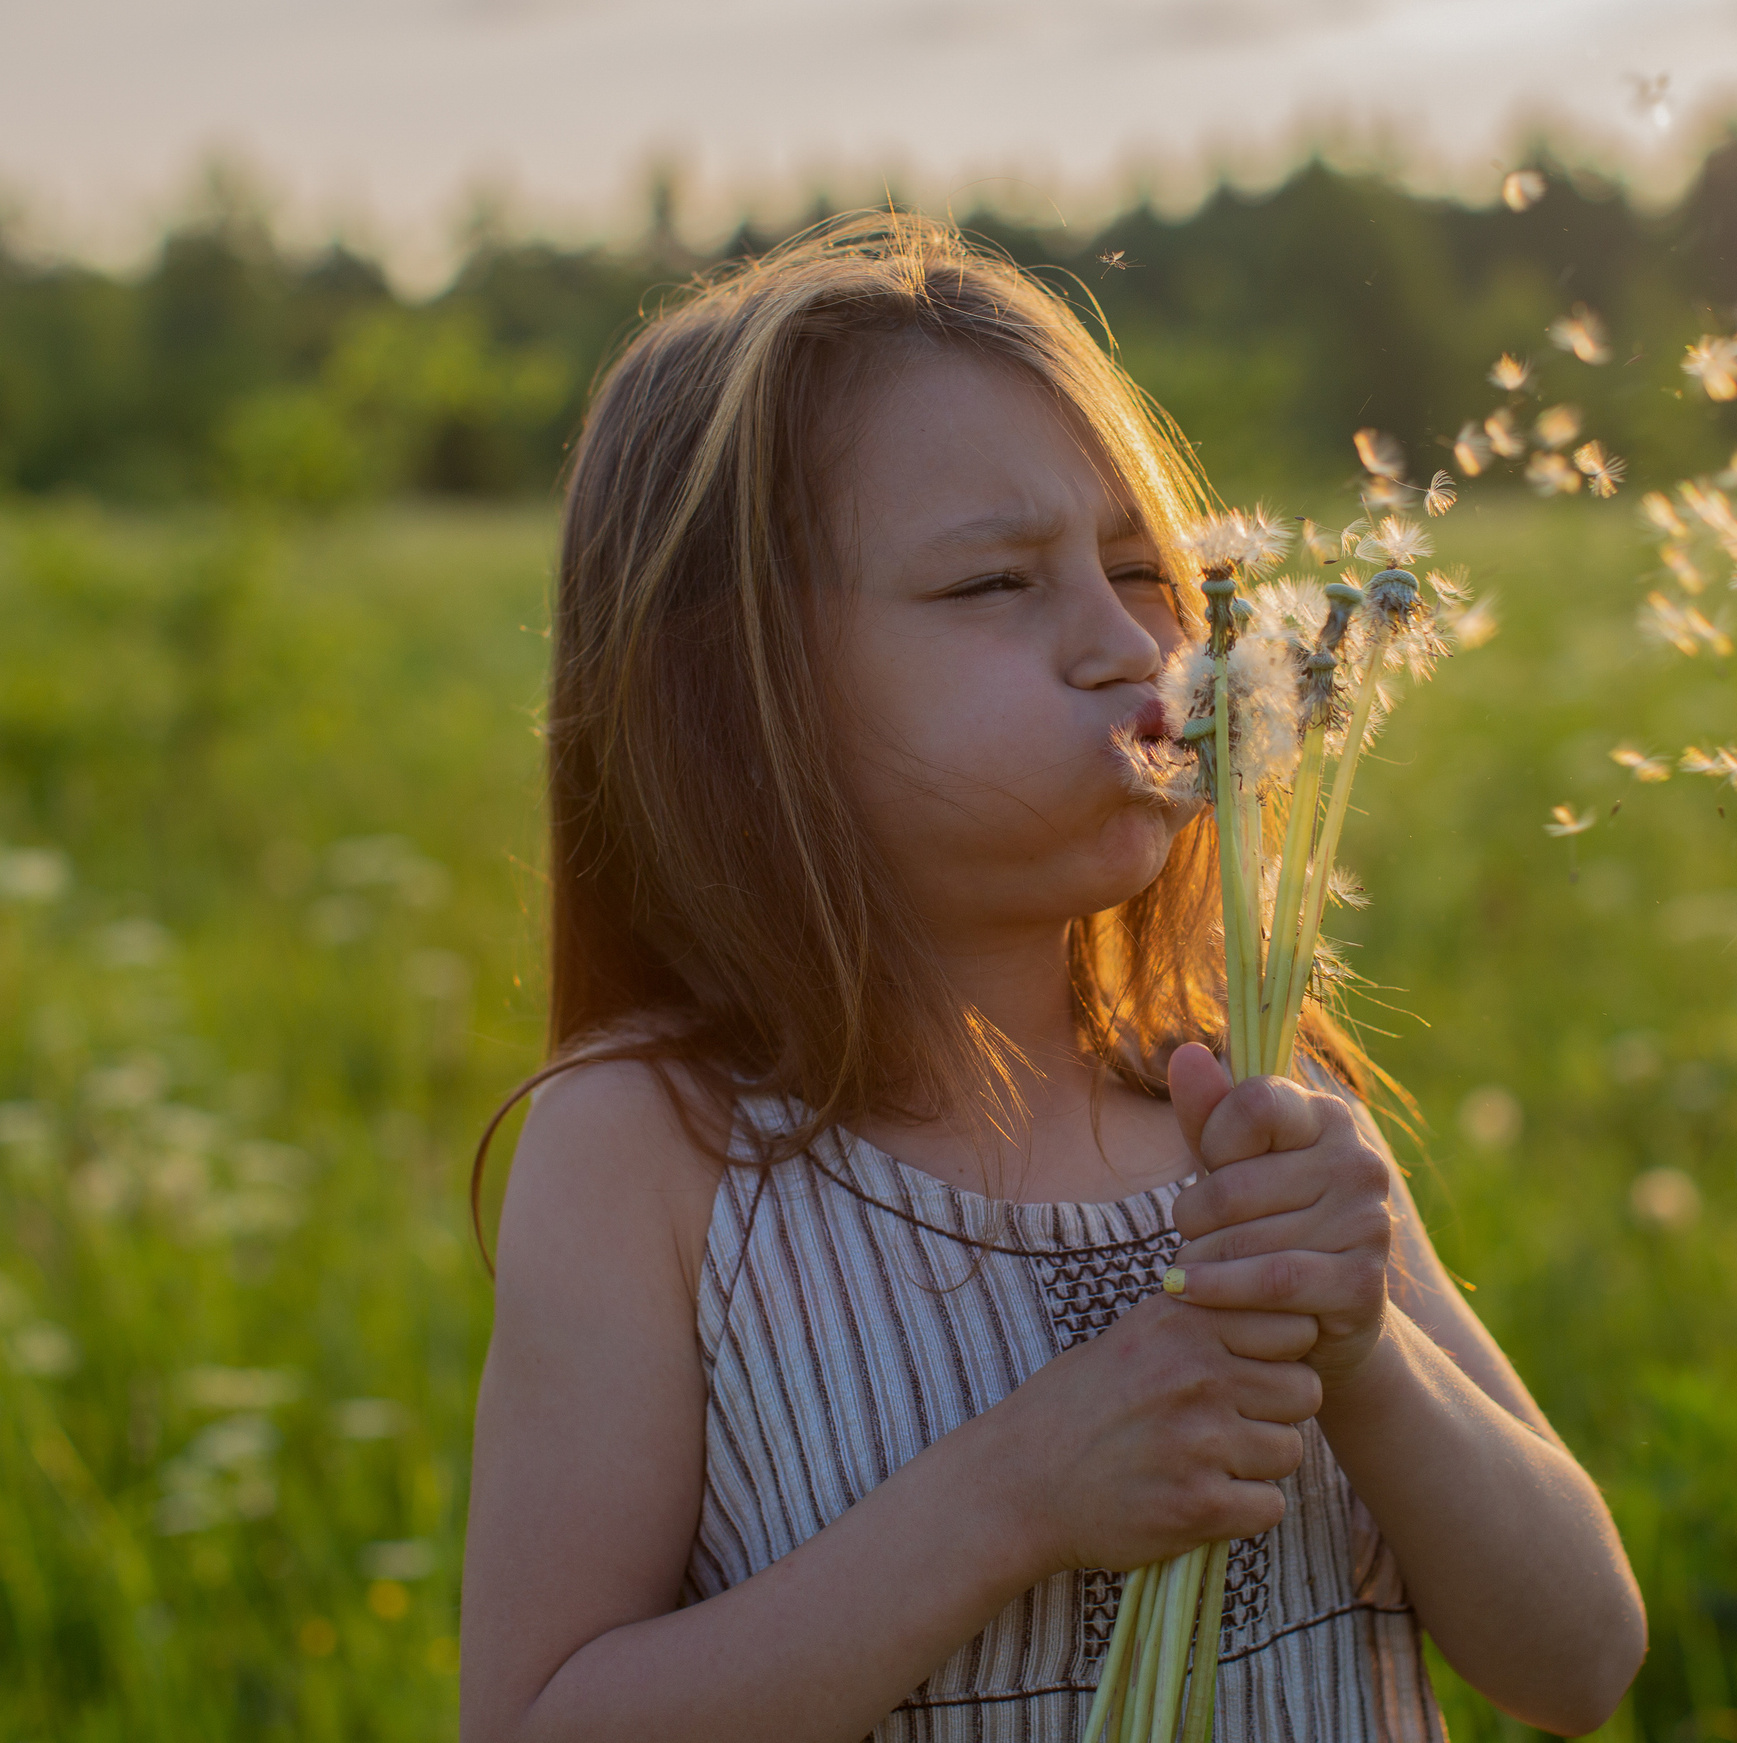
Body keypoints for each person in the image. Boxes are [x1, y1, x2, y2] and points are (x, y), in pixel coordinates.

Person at [458, 212, 1645, 1743]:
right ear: (732, 694)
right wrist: (1012, 1497)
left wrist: (1363, 1345)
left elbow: (1580, 1661)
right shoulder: (657, 1153)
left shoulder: (1252, 1094)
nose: (1124, 644)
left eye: (1145, 567)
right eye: (993, 587)